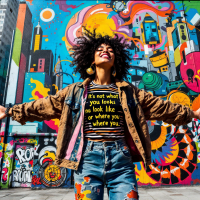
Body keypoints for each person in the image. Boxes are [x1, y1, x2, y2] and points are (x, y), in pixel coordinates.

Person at [0, 28, 200, 200]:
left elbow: (161, 107)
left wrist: (192, 113)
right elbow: (45, 106)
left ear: (116, 59)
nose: (106, 51)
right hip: (87, 160)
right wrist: (9, 111)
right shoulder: (75, 91)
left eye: (111, 50)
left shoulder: (129, 91)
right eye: (100, 49)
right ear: (91, 59)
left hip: (121, 162)